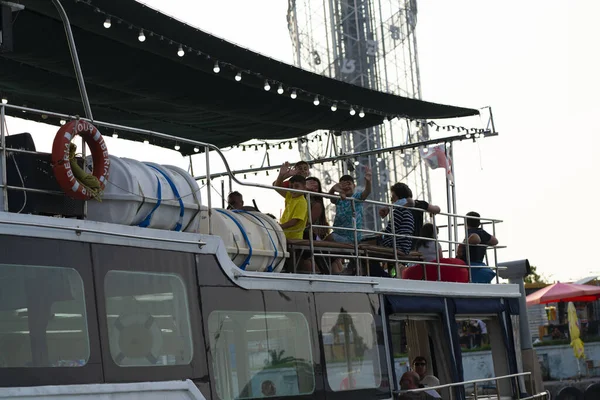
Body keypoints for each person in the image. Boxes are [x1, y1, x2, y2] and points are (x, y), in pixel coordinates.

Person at [326, 167, 372, 243]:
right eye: (343, 185)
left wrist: (368, 181)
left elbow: (367, 192)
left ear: (354, 186)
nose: (347, 187)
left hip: (351, 236)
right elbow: (330, 197)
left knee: (328, 239)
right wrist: (333, 189)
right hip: (338, 234)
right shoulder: (339, 199)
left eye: (349, 184)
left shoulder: (356, 197)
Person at [457, 211, 499, 283]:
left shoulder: (470, 231)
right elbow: (495, 241)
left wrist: (462, 245)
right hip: (479, 263)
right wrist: (485, 240)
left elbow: (476, 238)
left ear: (466, 223)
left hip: (470, 263)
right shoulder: (482, 232)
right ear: (479, 223)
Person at [274, 162, 308, 240]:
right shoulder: (290, 195)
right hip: (285, 235)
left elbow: (294, 222)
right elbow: (276, 186)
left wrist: (278, 227)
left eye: (296, 187)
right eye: (291, 187)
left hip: (294, 238)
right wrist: (282, 175)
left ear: (304, 188)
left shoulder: (302, 202)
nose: (293, 189)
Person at [380, 182, 415, 255]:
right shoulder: (409, 213)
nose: (391, 199)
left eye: (393, 196)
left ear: (400, 199)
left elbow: (389, 232)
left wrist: (381, 234)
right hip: (405, 247)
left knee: (369, 242)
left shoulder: (398, 212)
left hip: (396, 246)